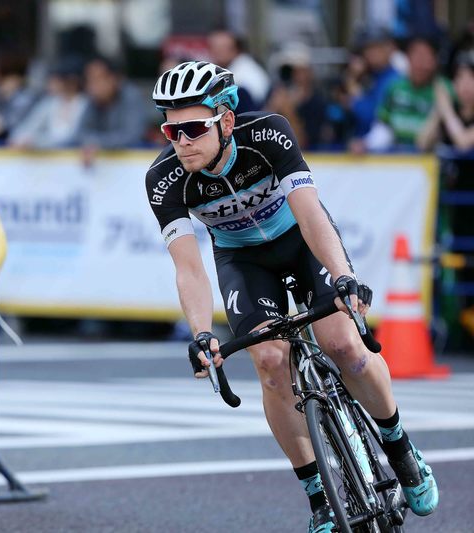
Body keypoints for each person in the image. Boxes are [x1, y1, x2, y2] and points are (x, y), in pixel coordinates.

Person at [145, 61, 439, 533]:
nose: (181, 141)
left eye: (193, 128)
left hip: (301, 241)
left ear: (225, 120)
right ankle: (319, 497)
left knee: (343, 346)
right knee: (268, 362)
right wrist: (202, 333)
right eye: (170, 130)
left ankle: (399, 446)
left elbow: (310, 215)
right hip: (244, 262)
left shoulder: (269, 135)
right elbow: (189, 268)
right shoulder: (163, 180)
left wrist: (342, 278)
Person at [361, 35, 451, 152]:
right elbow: (383, 127)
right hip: (400, 162)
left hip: (433, 160)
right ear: (408, 58)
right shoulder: (395, 87)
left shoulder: (445, 90)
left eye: (426, 58)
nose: (421, 64)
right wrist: (367, 144)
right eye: (417, 57)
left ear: (434, 61)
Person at [8, 57, 87, 149]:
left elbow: (74, 138)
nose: (53, 83)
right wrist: (21, 139)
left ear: (73, 81)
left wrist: (36, 141)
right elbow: (28, 127)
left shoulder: (85, 104)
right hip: (50, 160)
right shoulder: (50, 103)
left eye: (60, 79)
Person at [78, 56, 145, 156]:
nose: (92, 86)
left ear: (113, 79)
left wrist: (97, 143)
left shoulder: (130, 96)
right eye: (89, 80)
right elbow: (80, 133)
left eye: (97, 79)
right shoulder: (92, 100)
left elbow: (132, 135)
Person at [207, 29, 270, 109]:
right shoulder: (221, 67)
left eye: (223, 47)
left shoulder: (246, 70)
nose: (217, 52)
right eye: (214, 47)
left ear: (236, 49)